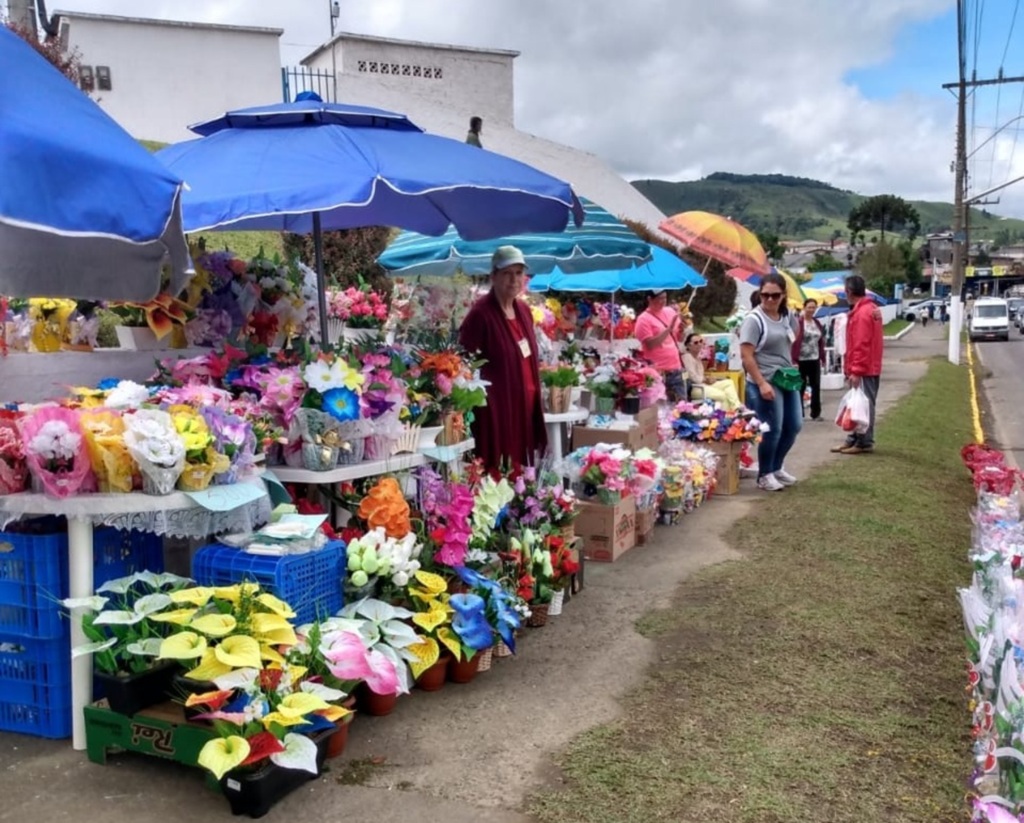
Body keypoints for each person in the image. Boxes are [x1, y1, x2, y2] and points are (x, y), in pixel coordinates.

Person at [459, 246, 547, 471]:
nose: (514, 279)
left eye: (518, 273)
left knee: (520, 469)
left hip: (524, 408)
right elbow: (463, 363)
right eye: (507, 273)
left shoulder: (524, 311)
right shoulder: (481, 314)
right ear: (494, 276)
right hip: (497, 412)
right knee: (499, 469)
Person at [739, 272, 803, 492]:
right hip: (764, 378)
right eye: (765, 295)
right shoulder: (753, 320)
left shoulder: (787, 316)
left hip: (785, 377)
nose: (769, 300)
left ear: (783, 295)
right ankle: (765, 473)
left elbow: (793, 335)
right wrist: (761, 383)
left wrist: (789, 360)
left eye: (775, 296)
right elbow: (746, 355)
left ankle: (776, 466)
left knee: (794, 425)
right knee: (772, 428)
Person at [832, 274, 883, 455]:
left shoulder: (862, 314)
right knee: (857, 404)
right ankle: (855, 438)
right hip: (867, 366)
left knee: (864, 404)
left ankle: (863, 441)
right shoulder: (868, 310)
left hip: (864, 368)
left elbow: (861, 344)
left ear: (849, 292)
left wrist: (856, 370)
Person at [634, 289, 686, 402]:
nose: (663, 301)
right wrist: (668, 329)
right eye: (660, 298)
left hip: (676, 367)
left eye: (665, 298)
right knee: (660, 408)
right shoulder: (643, 319)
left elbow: (678, 338)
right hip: (658, 370)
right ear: (650, 299)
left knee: (682, 405)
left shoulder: (670, 312)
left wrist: (682, 330)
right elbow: (650, 344)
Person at [682, 332, 742, 409]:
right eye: (696, 343)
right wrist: (706, 379)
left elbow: (700, 376)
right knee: (722, 395)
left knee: (728, 383)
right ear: (688, 346)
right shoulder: (687, 357)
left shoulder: (697, 358)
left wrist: (708, 378)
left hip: (703, 385)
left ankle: (737, 408)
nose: (699, 344)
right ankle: (727, 415)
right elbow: (693, 377)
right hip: (695, 388)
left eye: (700, 341)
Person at [793, 298, 826, 420]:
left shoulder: (817, 323)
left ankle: (816, 413)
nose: (811, 310)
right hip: (801, 360)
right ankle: (799, 413)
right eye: (809, 307)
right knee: (800, 387)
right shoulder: (799, 323)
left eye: (814, 307)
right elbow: (794, 342)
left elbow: (820, 342)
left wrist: (822, 357)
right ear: (804, 308)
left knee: (816, 386)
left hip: (814, 358)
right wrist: (793, 359)